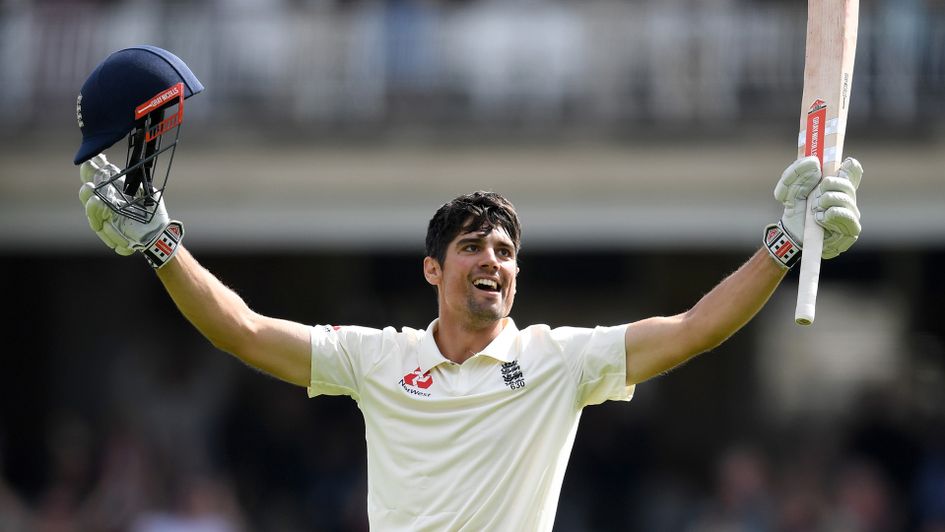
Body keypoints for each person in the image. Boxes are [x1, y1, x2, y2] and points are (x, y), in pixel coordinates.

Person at [74, 46, 863, 531]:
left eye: (506, 251)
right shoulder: (374, 359)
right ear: (432, 270)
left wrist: (784, 243)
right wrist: (159, 246)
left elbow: (693, 327)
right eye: (473, 247)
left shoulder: (561, 362)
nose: (495, 261)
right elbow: (242, 331)